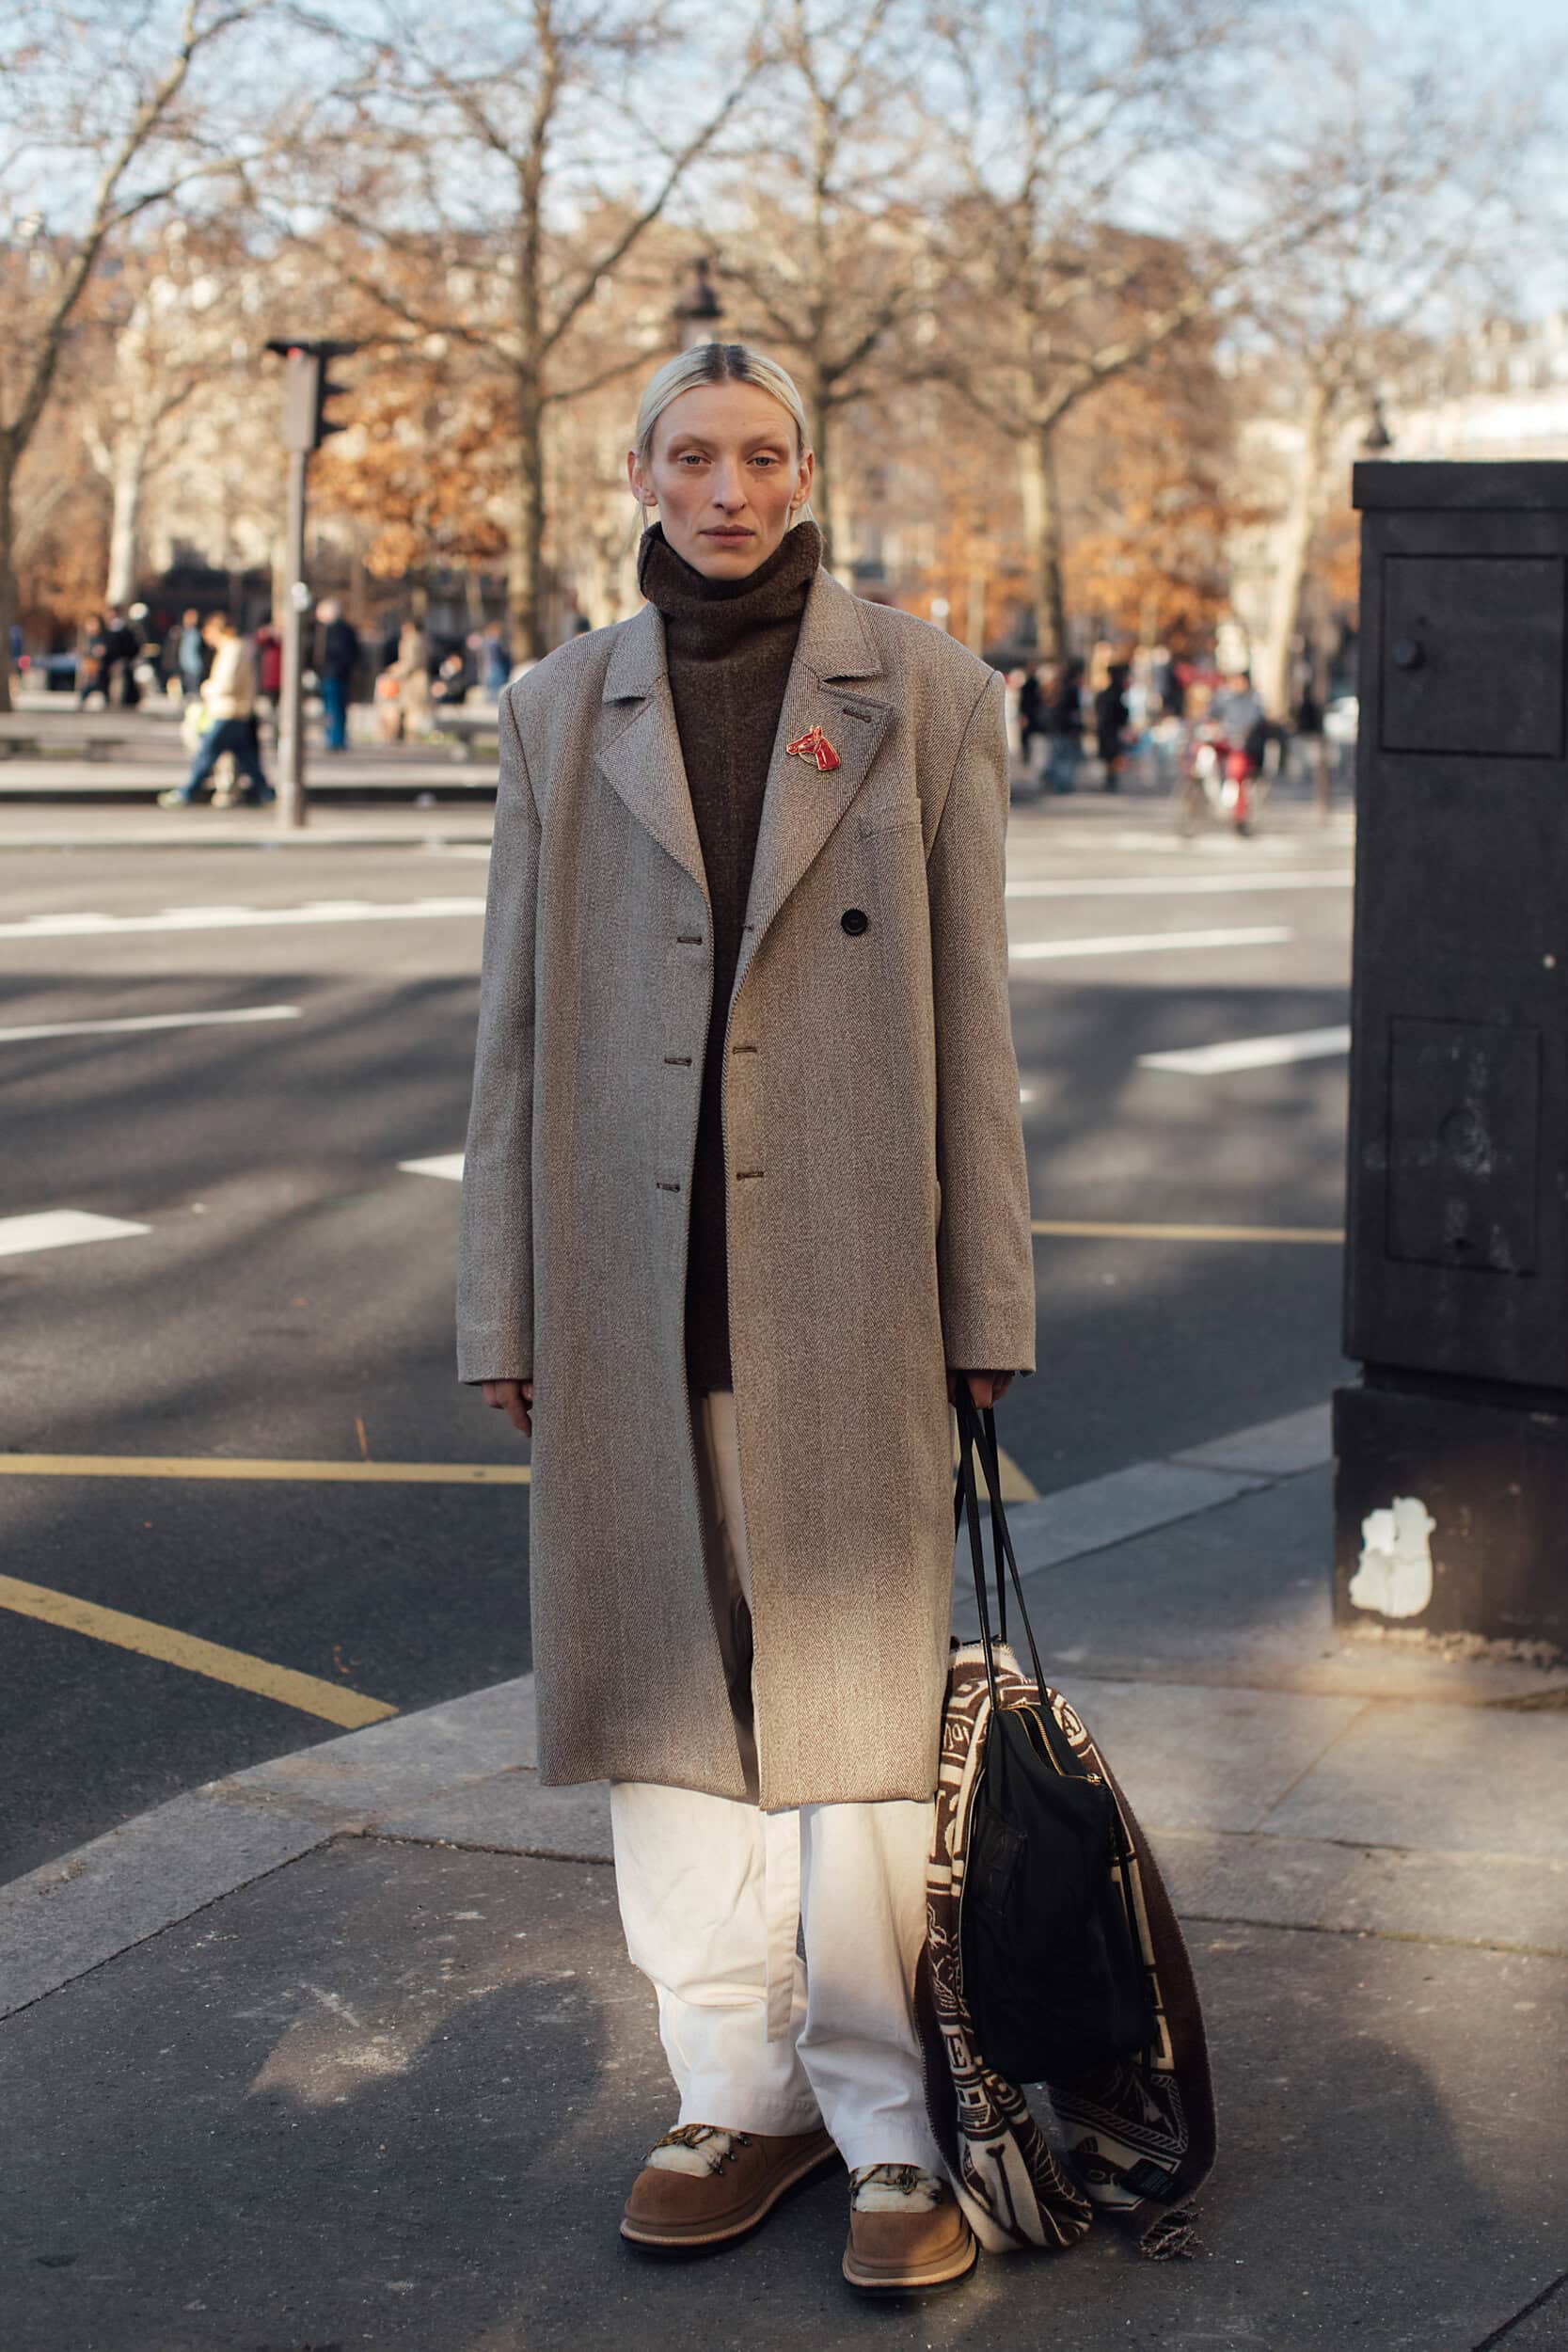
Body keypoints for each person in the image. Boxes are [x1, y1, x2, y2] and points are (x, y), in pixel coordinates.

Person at [457, 340, 1033, 2298]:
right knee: (660, 1701)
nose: (726, 486)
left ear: (806, 471)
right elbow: (514, 1037)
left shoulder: (923, 689)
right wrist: (502, 1297)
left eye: (760, 453)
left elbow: (973, 1028)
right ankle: (731, 2084)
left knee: (852, 1719)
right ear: (635, 468)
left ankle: (881, 2119)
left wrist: (985, 1300)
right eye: (690, 454)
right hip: (629, 1284)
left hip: (847, 1278)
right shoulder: (554, 705)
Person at [158, 614, 274, 807]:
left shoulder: (232, 650)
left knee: (207, 753)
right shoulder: (240, 648)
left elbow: (227, 684)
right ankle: (265, 793)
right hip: (238, 710)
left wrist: (207, 688)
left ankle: (187, 793)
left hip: (227, 711)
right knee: (247, 758)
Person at [317, 600, 360, 752]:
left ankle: (334, 740)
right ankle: (337, 739)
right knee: (338, 709)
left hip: (332, 674)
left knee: (333, 709)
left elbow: (335, 653)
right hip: (340, 674)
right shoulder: (347, 629)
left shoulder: (333, 631)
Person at [1048, 656, 1084, 792]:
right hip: (1066, 729)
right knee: (1066, 758)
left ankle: (1056, 780)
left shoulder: (1059, 687)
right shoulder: (1072, 690)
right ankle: (1063, 783)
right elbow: (1074, 713)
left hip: (1057, 727)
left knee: (1058, 756)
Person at [1094, 660, 1130, 789]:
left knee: (1112, 757)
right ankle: (1110, 780)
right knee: (1111, 756)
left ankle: (1111, 780)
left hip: (1110, 730)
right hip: (1110, 730)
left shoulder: (1113, 694)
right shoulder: (1113, 694)